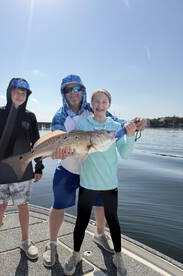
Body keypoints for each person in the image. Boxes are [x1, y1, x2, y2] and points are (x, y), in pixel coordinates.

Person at [43, 74, 145, 267]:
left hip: (91, 171)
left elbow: (116, 123)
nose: (73, 93)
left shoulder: (94, 106)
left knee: (101, 205)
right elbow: (57, 139)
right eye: (68, 89)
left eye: (77, 89)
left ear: (83, 91)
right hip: (68, 169)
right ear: (63, 93)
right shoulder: (59, 116)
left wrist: (135, 124)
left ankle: (99, 234)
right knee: (58, 205)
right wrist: (56, 153)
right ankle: (52, 244)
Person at [64, 89, 136, 275]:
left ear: (109, 105)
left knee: (113, 221)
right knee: (81, 221)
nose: (100, 105)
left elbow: (126, 154)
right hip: (87, 183)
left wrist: (130, 136)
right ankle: (76, 254)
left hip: (109, 184)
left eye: (104, 102)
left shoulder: (114, 127)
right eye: (96, 101)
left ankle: (118, 256)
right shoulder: (83, 123)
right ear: (92, 104)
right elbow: (75, 148)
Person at [0, 78, 44, 269]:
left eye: (23, 93)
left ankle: (25, 242)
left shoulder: (30, 117)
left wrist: (39, 167)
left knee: (23, 206)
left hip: (23, 170)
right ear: (9, 92)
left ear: (27, 96)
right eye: (16, 91)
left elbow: (37, 144)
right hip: (1, 169)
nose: (19, 95)